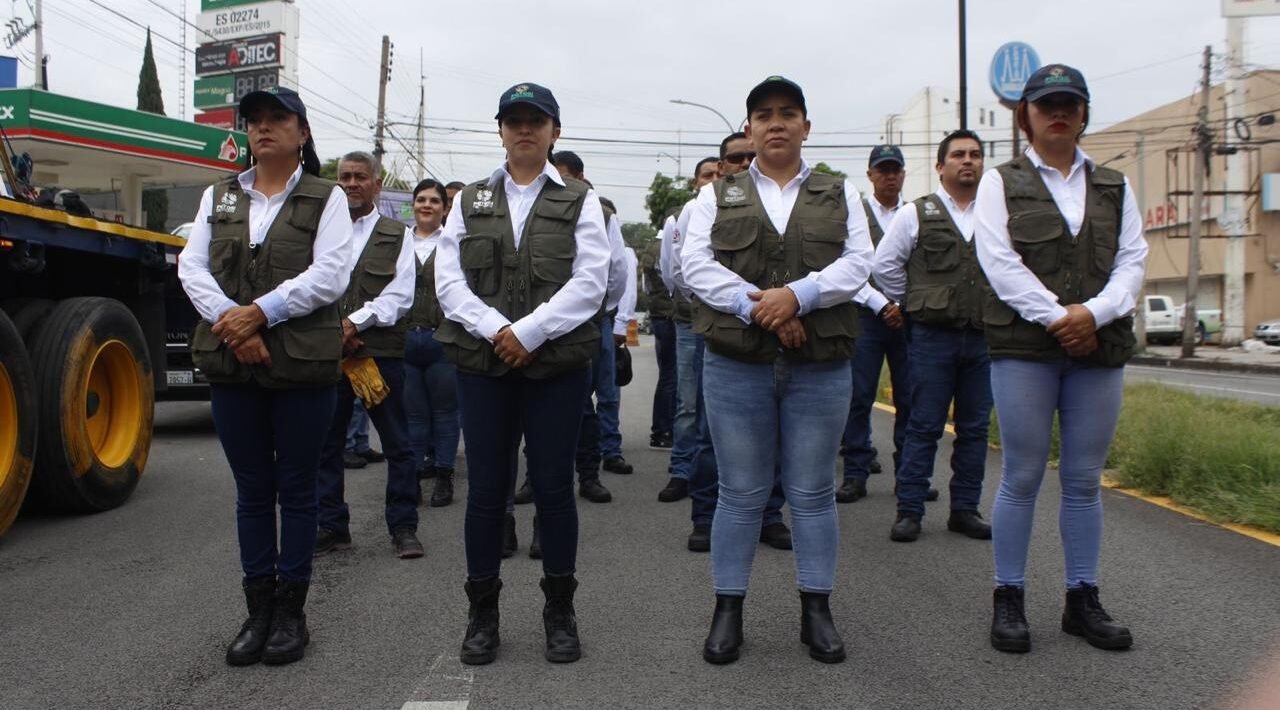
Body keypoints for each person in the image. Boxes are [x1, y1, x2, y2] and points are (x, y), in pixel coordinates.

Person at [682, 77, 872, 665]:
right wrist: (760, 307)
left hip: (820, 366)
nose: (777, 123)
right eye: (764, 115)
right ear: (749, 129)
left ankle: (817, 611)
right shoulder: (716, 196)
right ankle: (727, 610)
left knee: (813, 494)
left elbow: (859, 262)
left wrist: (799, 297)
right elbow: (695, 265)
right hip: (738, 363)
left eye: (789, 113)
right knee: (740, 494)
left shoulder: (841, 194)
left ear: (806, 127)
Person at [434, 82, 610, 665]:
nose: (525, 129)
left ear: (555, 131)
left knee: (555, 490)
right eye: (514, 120)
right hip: (484, 365)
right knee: (486, 492)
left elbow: (590, 281)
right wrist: (496, 331)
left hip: (555, 365)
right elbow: (448, 280)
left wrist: (528, 332)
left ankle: (560, 610)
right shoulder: (470, 200)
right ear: (501, 131)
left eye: (537, 120)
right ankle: (481, 614)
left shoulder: (581, 199)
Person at [976, 64, 1146, 653]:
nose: (1059, 112)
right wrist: (1059, 318)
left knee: (1083, 480)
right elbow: (999, 262)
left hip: (1098, 349)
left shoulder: (1115, 186)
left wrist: (1092, 316)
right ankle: (1009, 598)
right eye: (1047, 103)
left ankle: (1082, 599)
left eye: (1071, 103)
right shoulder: (1002, 182)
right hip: (1026, 348)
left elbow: (1131, 263)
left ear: (1084, 113)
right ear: (1026, 114)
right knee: (1022, 475)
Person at [179, 86, 352, 666]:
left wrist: (259, 314)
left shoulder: (326, 198)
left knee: (297, 491)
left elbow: (329, 275)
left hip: (301, 367)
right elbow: (192, 266)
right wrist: (235, 325)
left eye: (278, 118)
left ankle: (292, 613)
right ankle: (257, 611)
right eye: (255, 119)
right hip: (233, 366)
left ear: (302, 132)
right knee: (253, 492)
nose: (264, 127)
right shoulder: (219, 196)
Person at [873, 129, 994, 544]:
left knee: (975, 428)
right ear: (940, 166)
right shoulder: (917, 213)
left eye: (975, 155)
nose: (968, 161)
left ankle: (965, 509)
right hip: (931, 337)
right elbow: (885, 265)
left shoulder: (997, 213)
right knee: (924, 425)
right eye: (958, 155)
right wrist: (914, 302)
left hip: (982, 337)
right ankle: (910, 510)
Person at [675, 138, 792, 553]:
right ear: (722, 166)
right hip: (726, 333)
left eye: (749, 155)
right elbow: (683, 270)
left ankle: (769, 515)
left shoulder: (785, 202)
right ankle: (705, 517)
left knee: (774, 431)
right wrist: (749, 305)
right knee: (710, 433)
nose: (744, 162)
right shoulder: (703, 205)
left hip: (786, 332)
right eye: (735, 158)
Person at [313, 151, 422, 558]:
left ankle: (404, 527)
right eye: (345, 176)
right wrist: (336, 331)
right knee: (326, 444)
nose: (352, 183)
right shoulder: (320, 233)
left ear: (377, 184)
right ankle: (332, 526)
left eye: (360, 176)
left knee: (398, 443)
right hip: (326, 355)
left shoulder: (398, 234)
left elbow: (400, 295)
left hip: (377, 355)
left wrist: (353, 324)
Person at [836, 145, 911, 503]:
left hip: (908, 319)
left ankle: (910, 476)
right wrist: (882, 304)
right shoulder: (856, 214)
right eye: (883, 170)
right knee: (859, 396)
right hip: (865, 314)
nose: (890, 175)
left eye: (895, 169)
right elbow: (850, 266)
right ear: (870, 175)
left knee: (911, 399)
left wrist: (904, 306)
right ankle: (855, 473)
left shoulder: (914, 214)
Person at [654, 158, 717, 505]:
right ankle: (682, 470)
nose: (712, 180)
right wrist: (700, 299)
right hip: (691, 319)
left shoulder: (736, 209)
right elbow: (671, 270)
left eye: (717, 174)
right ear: (695, 182)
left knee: (720, 404)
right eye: (706, 175)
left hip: (732, 319)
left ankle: (718, 474)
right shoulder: (680, 217)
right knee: (688, 401)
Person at [403, 178, 461, 507]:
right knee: (413, 415)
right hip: (407, 338)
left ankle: (444, 476)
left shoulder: (454, 243)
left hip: (443, 340)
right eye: (421, 199)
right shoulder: (399, 242)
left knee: (445, 413)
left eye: (434, 201)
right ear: (413, 205)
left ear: (444, 208)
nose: (427, 205)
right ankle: (412, 477)